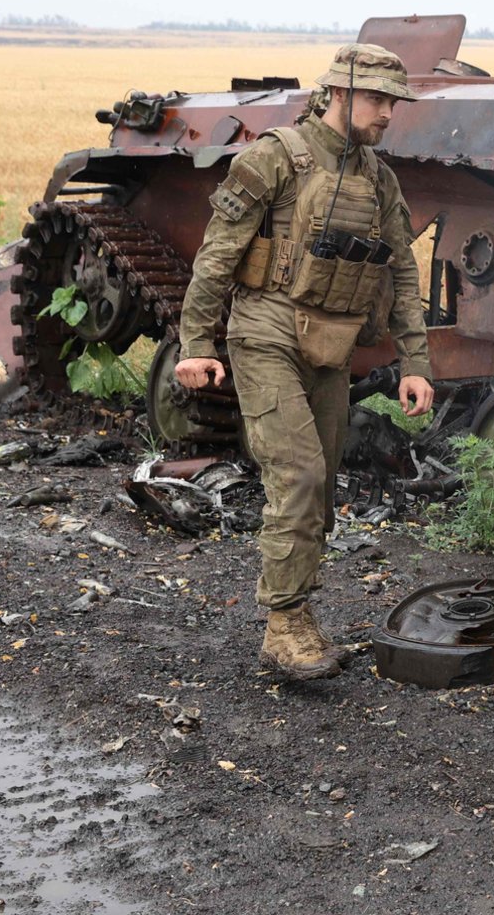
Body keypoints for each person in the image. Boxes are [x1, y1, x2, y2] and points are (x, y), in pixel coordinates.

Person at [175, 44, 435, 680]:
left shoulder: (380, 178)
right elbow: (216, 255)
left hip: (330, 343)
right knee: (297, 474)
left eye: (393, 102)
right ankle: (284, 624)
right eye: (376, 99)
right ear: (340, 92)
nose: (387, 114)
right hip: (265, 329)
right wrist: (197, 346)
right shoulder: (274, 157)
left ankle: (299, 614)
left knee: (318, 493)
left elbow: (402, 270)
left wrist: (415, 362)